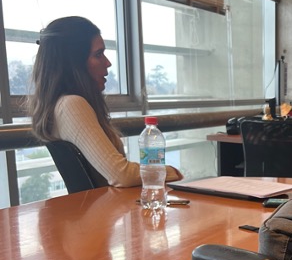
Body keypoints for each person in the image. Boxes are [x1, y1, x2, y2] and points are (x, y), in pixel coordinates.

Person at [29, 16, 183, 187]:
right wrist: (170, 172)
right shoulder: (71, 105)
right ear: (74, 63)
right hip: (106, 211)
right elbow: (121, 175)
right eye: (98, 54)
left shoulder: (60, 105)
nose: (108, 63)